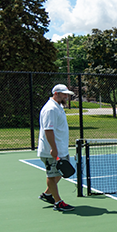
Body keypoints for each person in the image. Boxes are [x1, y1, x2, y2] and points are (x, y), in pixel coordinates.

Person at [37, 84, 75, 212]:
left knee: (61, 172)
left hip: (61, 148)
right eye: (64, 94)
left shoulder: (58, 106)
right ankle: (58, 202)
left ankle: (47, 194)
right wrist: (53, 149)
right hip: (51, 150)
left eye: (67, 94)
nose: (66, 96)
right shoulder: (50, 109)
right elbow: (48, 130)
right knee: (52, 176)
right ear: (56, 93)